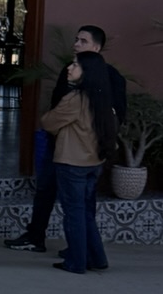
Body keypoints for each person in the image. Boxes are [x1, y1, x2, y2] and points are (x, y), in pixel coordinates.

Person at [6, 25, 128, 252]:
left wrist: (95, 135)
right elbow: (57, 107)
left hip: (88, 152)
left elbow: (118, 113)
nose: (76, 44)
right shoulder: (69, 71)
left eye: (83, 41)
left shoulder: (112, 78)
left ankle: (80, 251)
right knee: (46, 190)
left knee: (81, 203)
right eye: (76, 39)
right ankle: (37, 236)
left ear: (96, 47)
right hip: (61, 144)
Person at [40, 50, 119, 273]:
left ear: (87, 72)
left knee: (73, 213)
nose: (69, 68)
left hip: (71, 162)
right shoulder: (102, 98)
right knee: (84, 212)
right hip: (94, 162)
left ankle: (76, 261)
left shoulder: (76, 99)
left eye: (75, 65)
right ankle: (97, 258)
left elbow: (48, 122)